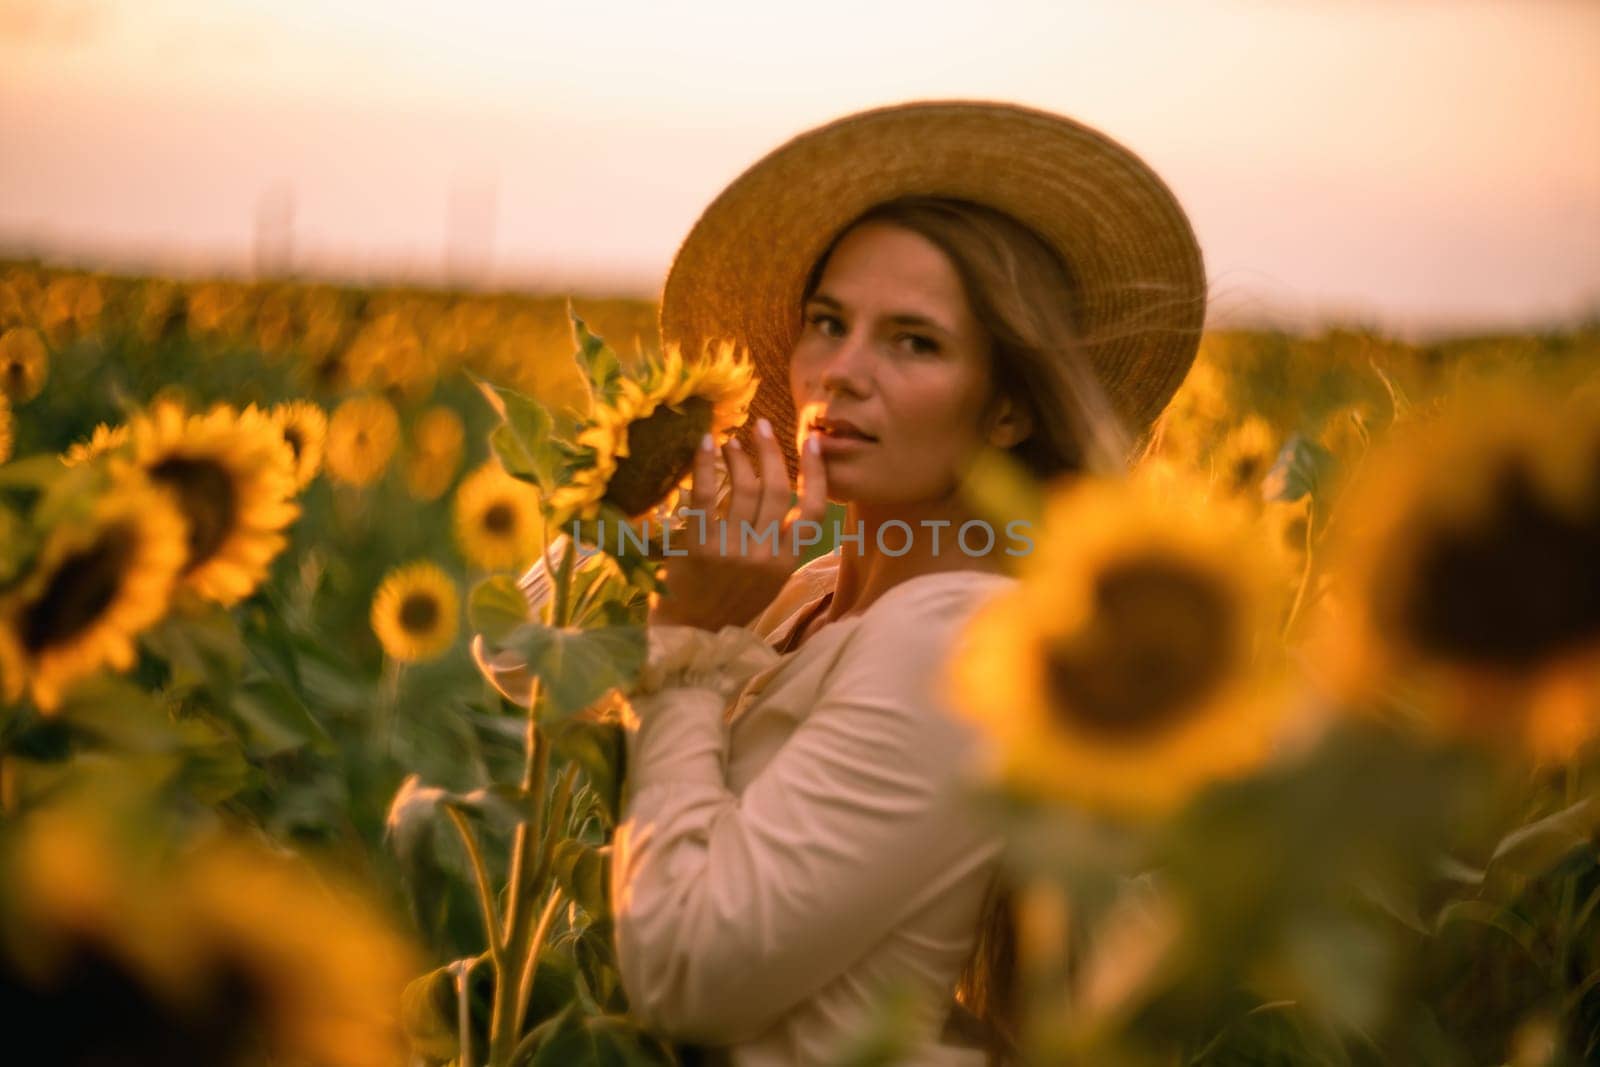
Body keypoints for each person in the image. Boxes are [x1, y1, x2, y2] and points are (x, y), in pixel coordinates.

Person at [612, 101, 1208, 1065]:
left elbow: (690, 973)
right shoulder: (802, 590)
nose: (840, 374)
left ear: (1009, 407)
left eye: (914, 342)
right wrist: (650, 496)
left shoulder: (956, 640)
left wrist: (681, 647)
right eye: (827, 323)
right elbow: (522, 665)